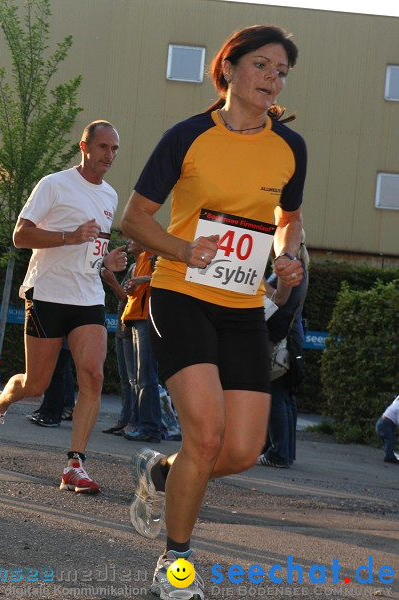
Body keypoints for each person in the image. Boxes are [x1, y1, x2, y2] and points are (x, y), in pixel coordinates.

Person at [121, 25, 306, 600]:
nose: (272, 79)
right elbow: (135, 219)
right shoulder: (188, 136)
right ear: (227, 68)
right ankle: (175, 565)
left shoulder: (289, 147)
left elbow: (288, 218)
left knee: (242, 451)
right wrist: (181, 249)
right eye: (262, 65)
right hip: (180, 294)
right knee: (205, 437)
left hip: (244, 304)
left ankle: (161, 474)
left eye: (281, 71)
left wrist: (286, 255)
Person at [0, 120, 127, 495]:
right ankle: (0, 402)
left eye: (115, 149)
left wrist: (108, 263)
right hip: (47, 294)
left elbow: (94, 250)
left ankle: (75, 465)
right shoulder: (54, 184)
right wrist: (68, 236)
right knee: (36, 384)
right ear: (84, 147)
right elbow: (20, 235)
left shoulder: (110, 195)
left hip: (88, 297)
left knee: (93, 377)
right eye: (103, 147)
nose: (109, 155)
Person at [258, 237, 309, 468]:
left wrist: (257, 280)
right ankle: (284, 452)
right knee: (285, 398)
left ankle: (278, 453)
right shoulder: (300, 268)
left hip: (278, 340)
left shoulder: (288, 269)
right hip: (290, 340)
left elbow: (278, 299)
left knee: (276, 397)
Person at [121, 240, 164, 444]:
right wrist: (132, 288)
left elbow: (167, 279)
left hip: (148, 318)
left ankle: (150, 427)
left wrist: (141, 280)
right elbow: (140, 289)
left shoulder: (156, 253)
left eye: (132, 237)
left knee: (146, 376)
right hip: (137, 318)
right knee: (140, 378)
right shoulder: (141, 258)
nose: (129, 241)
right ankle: (142, 425)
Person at [102, 248, 138, 436]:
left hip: (133, 330)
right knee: (126, 379)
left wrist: (112, 281)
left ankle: (134, 421)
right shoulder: (133, 266)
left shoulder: (146, 266)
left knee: (134, 380)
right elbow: (124, 297)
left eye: (133, 238)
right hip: (123, 329)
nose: (129, 242)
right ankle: (125, 420)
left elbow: (128, 298)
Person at [27, 338, 74, 428]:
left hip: (59, 338)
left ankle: (52, 413)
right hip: (58, 338)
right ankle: (49, 410)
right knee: (57, 371)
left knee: (57, 372)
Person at [376, 395, 399, 465]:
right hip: (385, 423)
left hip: (382, 422)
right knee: (390, 440)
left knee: (388, 440)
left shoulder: (396, 404)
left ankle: (390, 455)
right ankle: (389, 457)